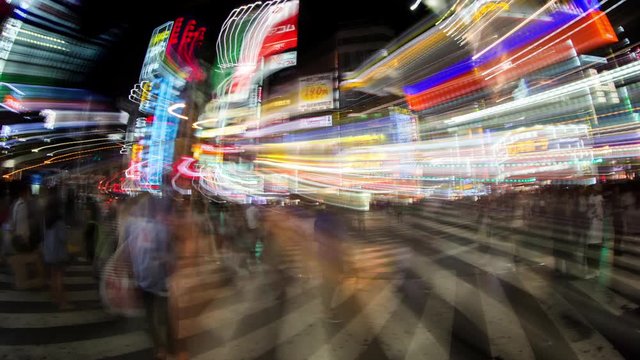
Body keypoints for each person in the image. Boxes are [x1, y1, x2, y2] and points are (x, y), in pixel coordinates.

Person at [125, 195, 175, 359]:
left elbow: (129, 252)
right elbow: (167, 256)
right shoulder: (162, 228)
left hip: (143, 278)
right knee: (164, 315)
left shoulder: (132, 226)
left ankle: (160, 348)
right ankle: (169, 347)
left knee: (150, 316)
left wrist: (132, 274)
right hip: (159, 279)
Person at [314, 204, 347, 322]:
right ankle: (326, 311)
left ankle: (326, 308)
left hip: (323, 255)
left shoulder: (320, 219)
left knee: (328, 283)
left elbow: (317, 237)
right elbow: (342, 238)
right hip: (333, 257)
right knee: (330, 284)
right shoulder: (337, 221)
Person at [42, 189, 72, 310]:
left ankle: (54, 297)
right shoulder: (59, 220)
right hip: (58, 253)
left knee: (53, 276)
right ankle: (62, 303)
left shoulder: (46, 218)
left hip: (48, 251)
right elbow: (63, 237)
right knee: (59, 277)